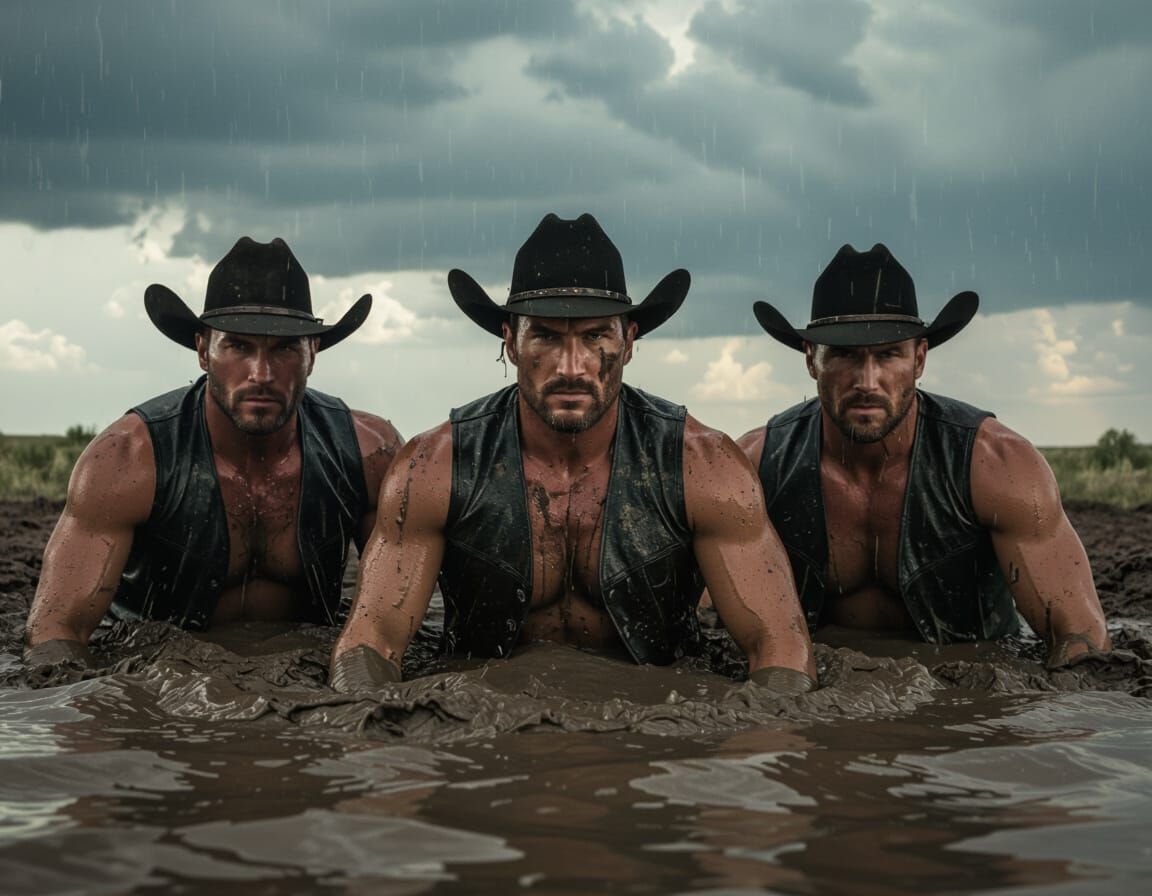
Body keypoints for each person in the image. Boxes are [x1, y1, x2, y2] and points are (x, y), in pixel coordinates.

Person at [329, 213, 816, 694]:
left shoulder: (705, 468)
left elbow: (780, 647)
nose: (571, 366)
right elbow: (372, 642)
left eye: (595, 335)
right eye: (544, 335)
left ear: (628, 342)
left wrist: (758, 752)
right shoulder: (434, 467)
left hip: (651, 733)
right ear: (510, 341)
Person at [25, 237, 403, 667]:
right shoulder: (126, 459)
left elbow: (392, 619)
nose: (261, 374)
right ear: (203, 350)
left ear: (312, 353)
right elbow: (56, 631)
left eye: (284, 349)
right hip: (154, 670)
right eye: (238, 346)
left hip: (305, 665)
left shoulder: (368, 451)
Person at [740, 243, 1110, 668]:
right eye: (844, 355)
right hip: (823, 693)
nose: (867, 380)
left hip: (971, 700)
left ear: (919, 359)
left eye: (887, 354)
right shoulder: (758, 464)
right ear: (811, 360)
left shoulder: (997, 465)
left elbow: (1081, 639)